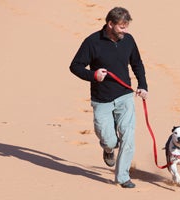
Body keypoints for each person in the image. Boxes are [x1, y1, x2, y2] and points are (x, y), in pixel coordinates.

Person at [69, 7, 148, 188]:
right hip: (101, 99)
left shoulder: (128, 40)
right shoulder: (92, 42)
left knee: (128, 137)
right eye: (121, 27)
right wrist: (93, 75)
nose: (125, 31)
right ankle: (108, 149)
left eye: (126, 26)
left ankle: (122, 177)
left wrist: (143, 85)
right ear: (110, 24)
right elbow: (75, 66)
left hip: (125, 96)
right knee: (109, 139)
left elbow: (137, 63)